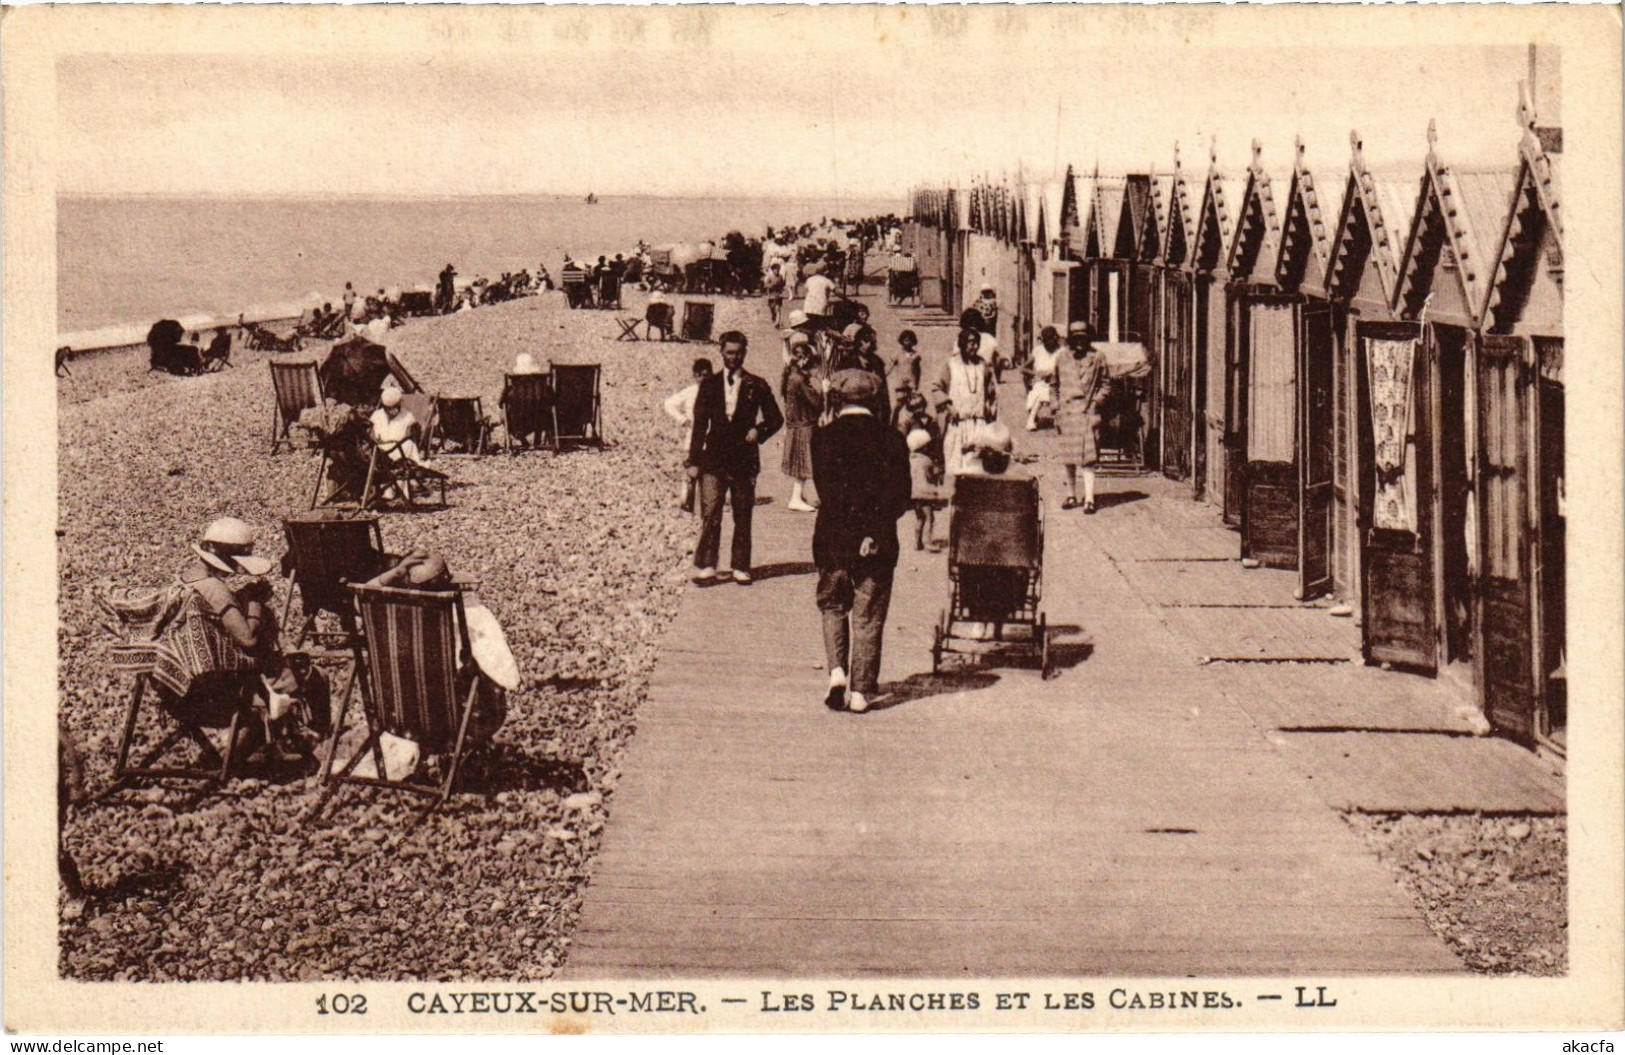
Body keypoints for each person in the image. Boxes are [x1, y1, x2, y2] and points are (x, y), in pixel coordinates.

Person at [359, 551, 516, 779]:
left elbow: (362, 595)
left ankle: (431, 750)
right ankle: (465, 748)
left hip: (399, 718)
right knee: (480, 679)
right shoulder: (469, 618)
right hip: (453, 722)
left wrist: (395, 572)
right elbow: (506, 676)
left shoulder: (383, 616)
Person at [811, 370, 913, 713]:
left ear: (839, 399)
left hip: (833, 540)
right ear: (873, 398)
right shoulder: (893, 440)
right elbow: (901, 497)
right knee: (868, 615)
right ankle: (860, 692)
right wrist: (872, 531)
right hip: (878, 541)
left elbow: (827, 492)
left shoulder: (822, 438)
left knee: (833, 606)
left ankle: (837, 670)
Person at [687, 332, 784, 584]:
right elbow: (699, 426)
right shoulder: (708, 385)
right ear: (721, 352)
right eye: (729, 353)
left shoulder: (757, 384)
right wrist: (693, 462)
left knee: (743, 512)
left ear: (745, 352)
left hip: (743, 458)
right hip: (714, 458)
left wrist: (758, 430)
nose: (734, 357)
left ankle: (740, 565)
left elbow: (775, 418)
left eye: (738, 352)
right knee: (711, 510)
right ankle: (707, 564)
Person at [930, 311, 999, 481]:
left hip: (979, 425)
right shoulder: (951, 365)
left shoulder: (983, 365)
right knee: (956, 468)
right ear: (961, 345)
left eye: (976, 343)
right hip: (957, 425)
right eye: (970, 343)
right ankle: (955, 505)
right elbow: (936, 388)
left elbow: (992, 392)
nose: (974, 347)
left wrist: (991, 410)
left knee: (977, 469)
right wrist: (948, 406)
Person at [1056, 321, 1111, 512]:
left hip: (1088, 412)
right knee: (1069, 458)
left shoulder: (1097, 357)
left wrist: (1096, 403)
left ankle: (1089, 499)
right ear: (1071, 339)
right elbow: (1054, 385)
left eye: (1083, 337)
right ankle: (1071, 495)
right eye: (1075, 338)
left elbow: (1106, 384)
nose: (1079, 342)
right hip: (1068, 413)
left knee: (1089, 459)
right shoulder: (1062, 358)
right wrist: (1056, 408)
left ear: (1088, 338)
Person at [663, 358, 714, 512]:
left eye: (708, 376)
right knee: (690, 471)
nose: (705, 379)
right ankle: (687, 501)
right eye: (702, 376)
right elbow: (669, 404)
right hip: (692, 437)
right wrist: (682, 419)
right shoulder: (691, 391)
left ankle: (705, 502)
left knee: (708, 472)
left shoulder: (715, 393)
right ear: (695, 376)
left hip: (710, 438)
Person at [780, 339, 824, 513]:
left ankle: (798, 496)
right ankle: (795, 498)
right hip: (803, 425)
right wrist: (821, 390)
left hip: (796, 425)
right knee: (803, 464)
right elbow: (816, 402)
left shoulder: (790, 376)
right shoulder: (799, 380)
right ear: (803, 359)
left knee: (800, 464)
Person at [1024, 325, 1063, 431]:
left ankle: (1031, 420)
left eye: (1052, 340)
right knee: (1039, 391)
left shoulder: (1061, 352)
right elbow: (1023, 368)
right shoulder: (1038, 351)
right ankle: (1032, 418)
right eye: (1046, 341)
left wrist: (1054, 374)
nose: (1049, 344)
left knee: (1043, 392)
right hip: (1039, 381)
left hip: (1057, 383)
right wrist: (1037, 374)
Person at [887, 329, 922, 400]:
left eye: (910, 340)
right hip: (901, 384)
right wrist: (882, 376)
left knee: (915, 405)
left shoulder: (916, 355)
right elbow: (889, 367)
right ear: (902, 341)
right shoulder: (897, 354)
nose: (908, 343)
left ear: (913, 342)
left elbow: (918, 371)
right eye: (905, 340)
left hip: (912, 385)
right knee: (898, 404)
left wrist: (917, 385)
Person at [802, 260, 836, 332]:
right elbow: (835, 291)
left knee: (811, 327)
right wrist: (845, 298)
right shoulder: (826, 280)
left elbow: (807, 290)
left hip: (809, 306)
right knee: (820, 327)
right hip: (820, 306)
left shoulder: (809, 280)